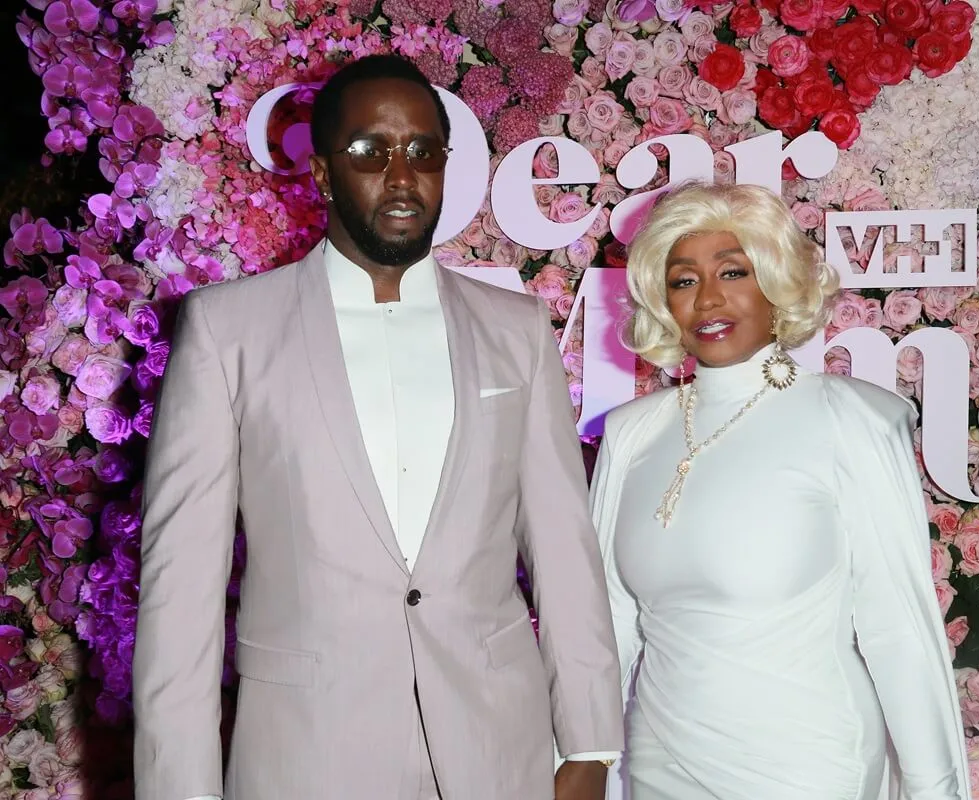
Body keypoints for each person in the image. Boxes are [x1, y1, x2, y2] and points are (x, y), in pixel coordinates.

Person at [132, 54, 623, 800]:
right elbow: (180, 594)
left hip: (497, 751)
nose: (402, 175)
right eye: (370, 151)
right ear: (324, 173)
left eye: (423, 151)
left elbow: (562, 545)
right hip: (306, 756)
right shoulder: (227, 330)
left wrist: (588, 744)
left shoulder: (515, 329)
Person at [591, 182, 972, 799]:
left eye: (733, 271)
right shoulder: (633, 433)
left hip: (806, 761)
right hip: (658, 759)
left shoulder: (851, 417)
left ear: (775, 282)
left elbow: (895, 625)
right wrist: (585, 757)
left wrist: (935, 789)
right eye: (684, 280)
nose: (708, 297)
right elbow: (610, 623)